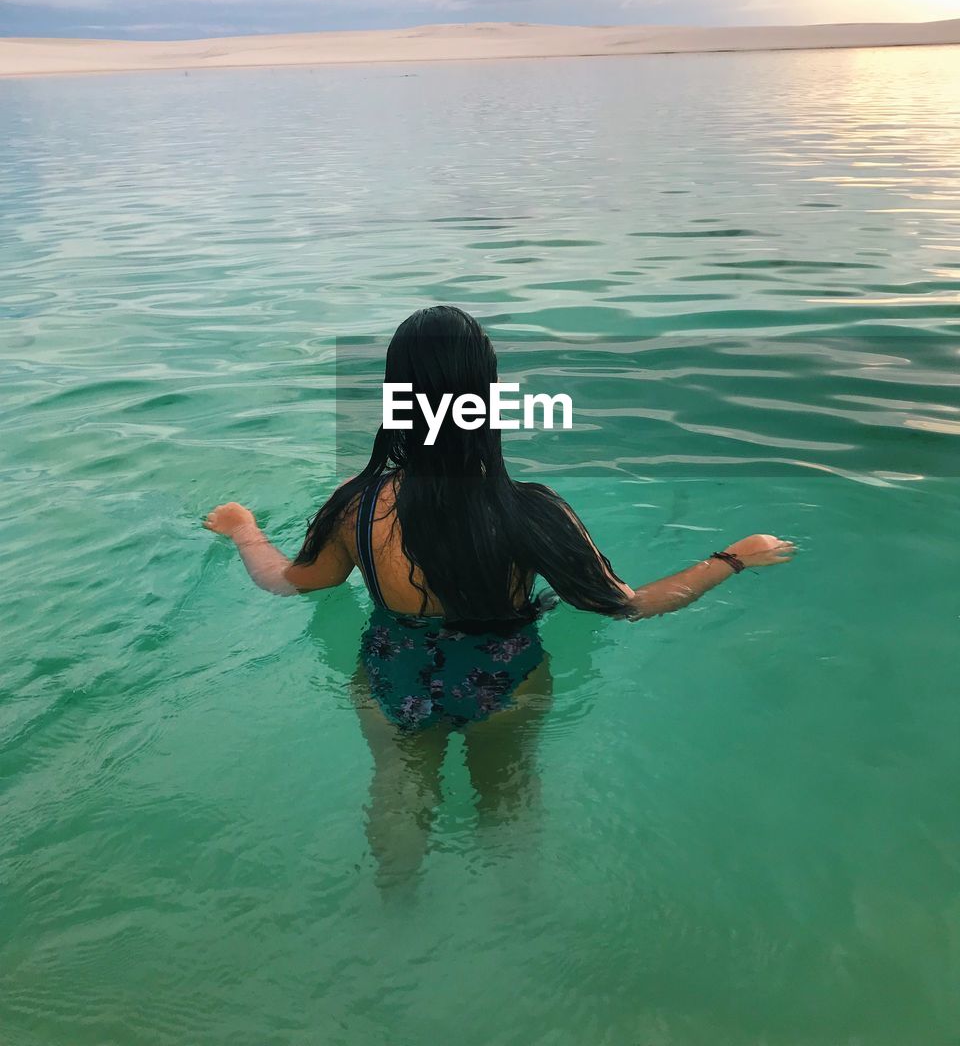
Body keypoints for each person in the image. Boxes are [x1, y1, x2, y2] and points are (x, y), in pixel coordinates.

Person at [203, 305, 794, 881]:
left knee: (399, 797)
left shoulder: (355, 505)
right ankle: (515, 917)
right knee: (507, 805)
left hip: (395, 669)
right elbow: (631, 604)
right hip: (504, 674)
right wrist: (734, 558)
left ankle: (394, 913)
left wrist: (243, 529)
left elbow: (286, 583)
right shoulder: (529, 511)